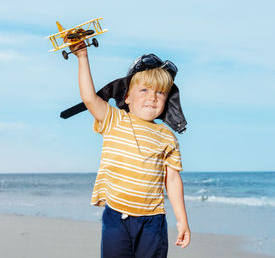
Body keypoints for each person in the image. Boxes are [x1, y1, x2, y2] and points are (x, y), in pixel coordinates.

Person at [68, 42, 191, 258]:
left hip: (153, 221)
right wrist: (82, 58)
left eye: (160, 93)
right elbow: (89, 98)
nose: (152, 97)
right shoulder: (114, 120)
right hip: (117, 217)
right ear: (126, 98)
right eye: (143, 89)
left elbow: (172, 179)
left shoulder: (167, 136)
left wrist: (182, 220)